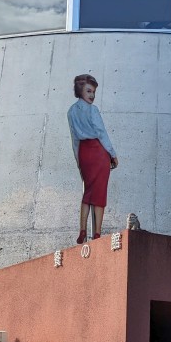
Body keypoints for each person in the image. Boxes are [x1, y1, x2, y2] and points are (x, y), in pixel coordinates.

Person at [68, 74, 118, 243]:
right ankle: (97, 233)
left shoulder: (71, 112)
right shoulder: (93, 110)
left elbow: (74, 139)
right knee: (99, 193)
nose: (92, 95)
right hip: (98, 152)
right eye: (88, 91)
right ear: (80, 90)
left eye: (93, 92)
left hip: (84, 153)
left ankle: (82, 230)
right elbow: (101, 133)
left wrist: (78, 160)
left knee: (87, 193)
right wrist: (112, 154)